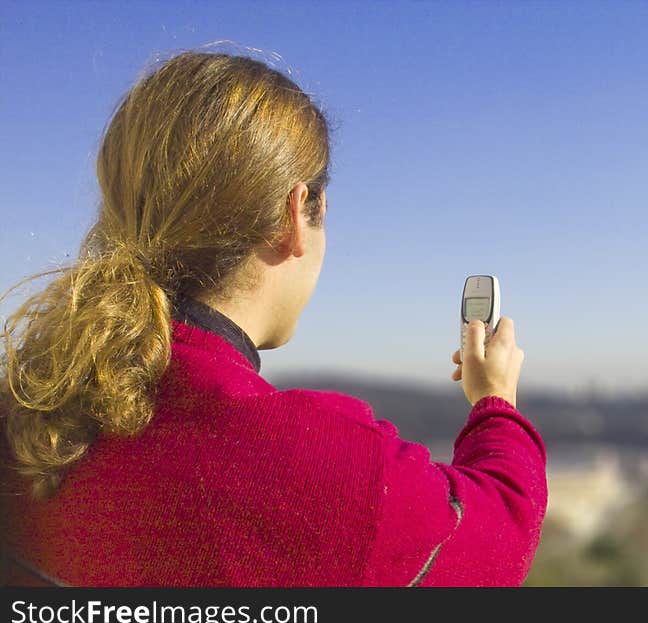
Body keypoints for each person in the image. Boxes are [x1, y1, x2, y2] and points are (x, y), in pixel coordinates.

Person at [0, 50, 548, 586]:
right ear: (296, 215)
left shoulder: (28, 416)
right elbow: (495, 534)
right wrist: (495, 404)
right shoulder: (340, 475)